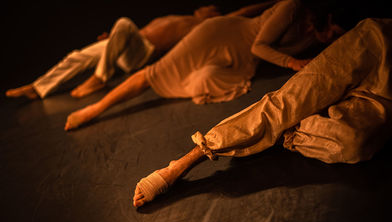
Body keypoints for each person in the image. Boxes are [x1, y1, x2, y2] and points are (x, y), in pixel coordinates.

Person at [133, 18, 392, 207]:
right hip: (378, 44)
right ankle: (181, 164)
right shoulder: (292, 9)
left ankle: (289, 129)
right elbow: (260, 40)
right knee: (286, 105)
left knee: (356, 145)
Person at [63, 0, 345, 131]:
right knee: (156, 73)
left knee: (203, 79)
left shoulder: (317, 32)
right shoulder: (292, 8)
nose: (328, 33)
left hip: (241, 57)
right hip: (220, 36)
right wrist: (293, 62)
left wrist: (321, 41)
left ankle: (97, 98)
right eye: (328, 26)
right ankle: (94, 110)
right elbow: (258, 43)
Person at [5, 2, 275, 99]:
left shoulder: (203, 24)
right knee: (78, 55)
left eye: (214, 9)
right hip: (128, 46)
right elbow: (140, 31)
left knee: (123, 22)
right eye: (208, 7)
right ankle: (38, 87)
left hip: (140, 54)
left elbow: (243, 12)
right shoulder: (180, 16)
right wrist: (114, 41)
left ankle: (99, 78)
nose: (210, 8)